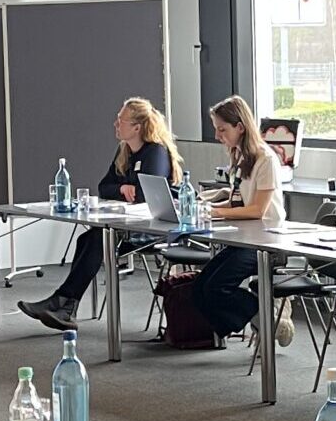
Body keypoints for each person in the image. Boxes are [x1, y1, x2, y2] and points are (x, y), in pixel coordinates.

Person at [18, 97, 184, 332]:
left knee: (97, 238)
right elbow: (104, 187)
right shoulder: (124, 151)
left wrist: (130, 190)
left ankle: (63, 304)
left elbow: (147, 194)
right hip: (128, 225)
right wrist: (122, 188)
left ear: (137, 127)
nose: (116, 124)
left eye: (121, 120)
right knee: (87, 238)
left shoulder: (155, 152)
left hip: (155, 228)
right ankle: (65, 305)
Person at [191, 96, 285, 344]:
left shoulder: (266, 160)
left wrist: (217, 213)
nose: (217, 135)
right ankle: (259, 315)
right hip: (244, 238)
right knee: (199, 289)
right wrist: (207, 207)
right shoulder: (239, 156)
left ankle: (264, 314)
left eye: (222, 129)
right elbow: (237, 202)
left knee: (215, 288)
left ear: (240, 127)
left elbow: (258, 210)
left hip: (266, 242)